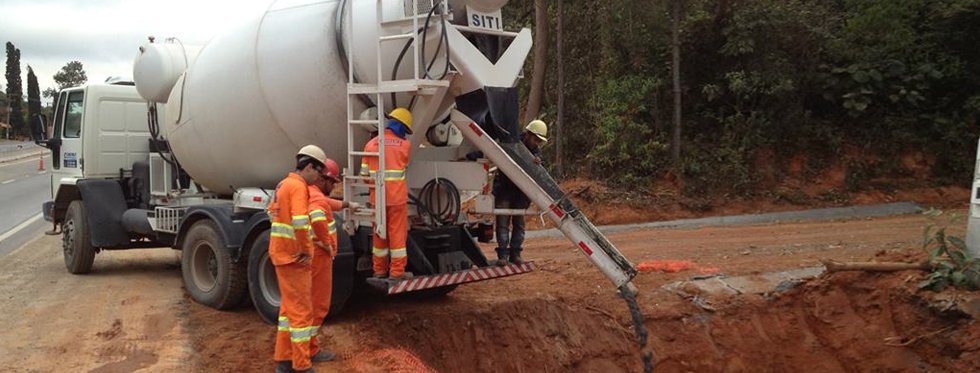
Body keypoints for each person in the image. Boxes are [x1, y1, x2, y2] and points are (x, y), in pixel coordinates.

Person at [269, 145, 325, 373]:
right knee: (301, 312)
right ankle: (301, 365)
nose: (319, 178)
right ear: (310, 167)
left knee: (288, 311)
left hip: (281, 253)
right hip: (294, 258)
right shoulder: (299, 187)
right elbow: (302, 222)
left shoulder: (283, 184)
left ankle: (284, 359)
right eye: (319, 173)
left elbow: (271, 211)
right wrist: (306, 249)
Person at [471, 120, 547, 266]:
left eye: (539, 141)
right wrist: (471, 156)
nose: (537, 143)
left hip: (521, 193)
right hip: (504, 189)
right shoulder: (511, 143)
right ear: (528, 135)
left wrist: (539, 162)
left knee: (519, 223)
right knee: (502, 223)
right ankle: (503, 256)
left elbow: (540, 163)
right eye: (536, 139)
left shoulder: (535, 152)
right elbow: (494, 150)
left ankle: (515, 254)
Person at [361, 108, 413, 280]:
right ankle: (397, 273)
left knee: (379, 235)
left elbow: (364, 176)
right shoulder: (404, 146)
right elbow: (404, 167)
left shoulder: (370, 145)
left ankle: (379, 270)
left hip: (378, 200)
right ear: (401, 127)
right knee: (397, 236)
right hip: (397, 199)